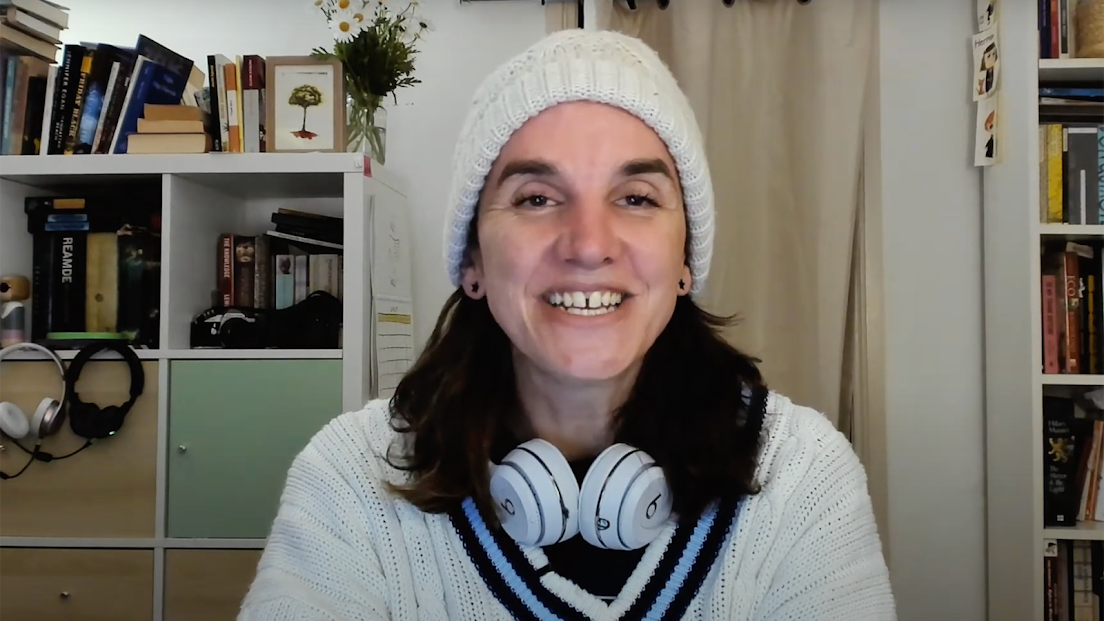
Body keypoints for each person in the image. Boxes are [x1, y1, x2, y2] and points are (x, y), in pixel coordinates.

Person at [237, 28, 896, 621]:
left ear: (685, 261)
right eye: (537, 198)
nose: (588, 244)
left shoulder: (802, 475)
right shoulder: (351, 475)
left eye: (636, 198)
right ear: (472, 260)